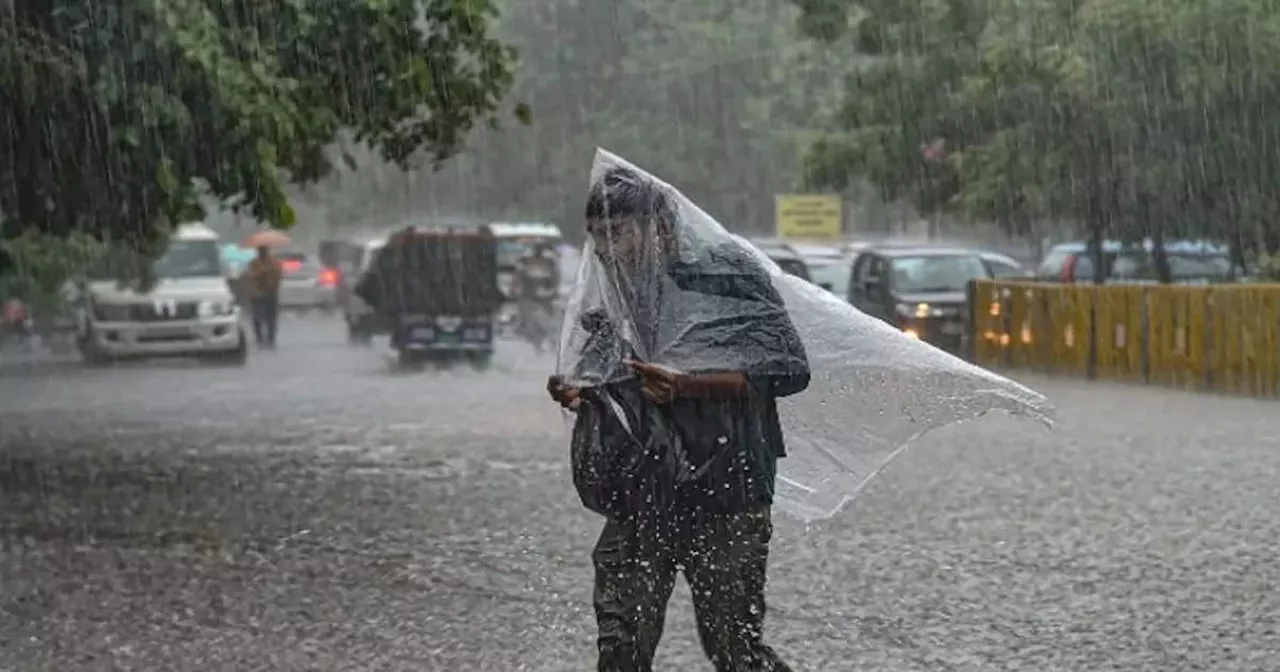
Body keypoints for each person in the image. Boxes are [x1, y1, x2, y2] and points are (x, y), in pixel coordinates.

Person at [548, 167, 809, 672]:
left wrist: (688, 385)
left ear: (661, 227)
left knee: (734, 647)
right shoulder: (612, 293)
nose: (606, 250)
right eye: (596, 237)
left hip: (726, 487)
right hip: (640, 491)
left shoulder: (726, 275)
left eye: (617, 233)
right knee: (620, 645)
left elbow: (789, 370)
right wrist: (583, 394)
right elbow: (614, 381)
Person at [241, 246, 282, 347]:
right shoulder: (254, 263)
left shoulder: (274, 263)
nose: (262, 253)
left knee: (271, 317)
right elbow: (248, 276)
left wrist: (269, 274)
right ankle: (259, 337)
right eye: (260, 251)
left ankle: (270, 338)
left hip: (270, 294)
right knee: (257, 317)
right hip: (257, 294)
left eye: (263, 251)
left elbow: (277, 276)